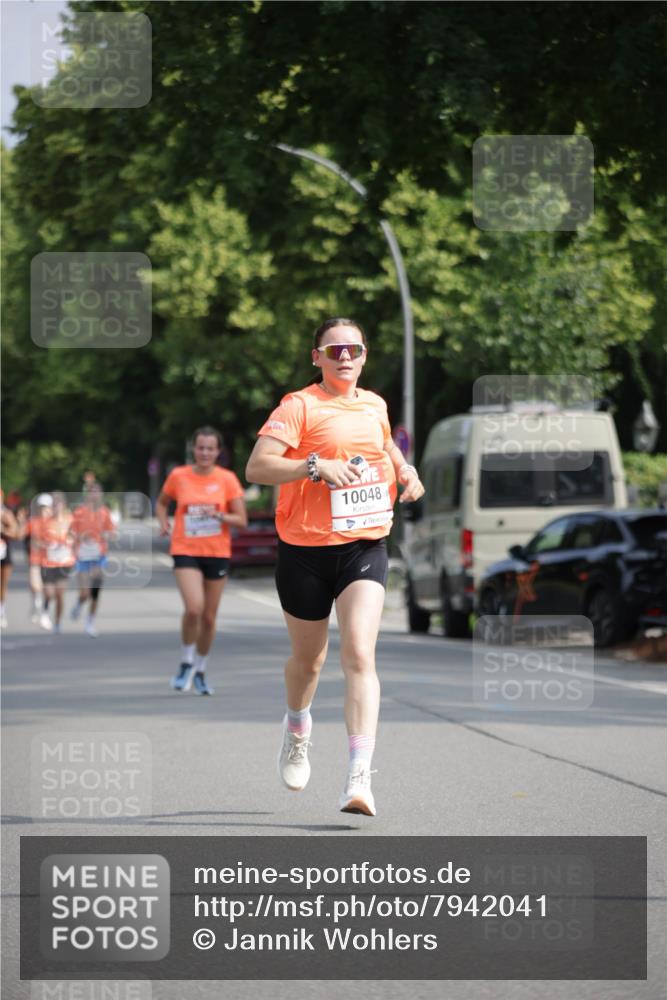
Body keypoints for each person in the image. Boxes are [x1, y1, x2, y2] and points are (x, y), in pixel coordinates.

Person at [246, 317, 425, 816]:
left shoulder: (375, 405)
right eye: (334, 350)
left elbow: (384, 445)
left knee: (360, 655)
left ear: (364, 356)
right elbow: (257, 467)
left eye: (354, 349)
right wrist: (314, 466)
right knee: (309, 662)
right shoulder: (298, 406)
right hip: (304, 549)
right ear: (317, 358)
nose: (345, 357)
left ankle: (358, 778)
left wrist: (405, 470)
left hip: (364, 544)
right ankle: (297, 727)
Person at [156, 426, 248, 695]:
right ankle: (186, 662)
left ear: (218, 452)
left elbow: (242, 520)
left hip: (217, 552)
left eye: (210, 448)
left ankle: (200, 670)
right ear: (193, 449)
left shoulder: (227, 479)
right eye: (200, 448)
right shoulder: (179, 476)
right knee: (194, 609)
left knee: (208, 618)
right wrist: (163, 522)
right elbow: (162, 503)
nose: (205, 453)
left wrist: (221, 516)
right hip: (185, 548)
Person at [70, 483, 116, 637]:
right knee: (85, 593)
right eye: (92, 492)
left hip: (99, 556)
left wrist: (107, 535)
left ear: (101, 494)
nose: (95, 495)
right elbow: (71, 532)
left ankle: (90, 623)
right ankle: (79, 604)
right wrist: (79, 539)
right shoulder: (79, 512)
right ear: (88, 494)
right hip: (83, 556)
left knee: (95, 592)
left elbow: (112, 533)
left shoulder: (105, 512)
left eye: (98, 492)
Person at [40, 492, 75, 634]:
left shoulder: (70, 520)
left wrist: (70, 541)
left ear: (63, 506)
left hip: (64, 562)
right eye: (53, 505)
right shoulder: (45, 522)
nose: (56, 508)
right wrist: (46, 544)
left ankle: (58, 622)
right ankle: (45, 609)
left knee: (60, 594)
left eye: (58, 505)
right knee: (49, 593)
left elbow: (76, 537)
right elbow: (37, 540)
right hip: (48, 562)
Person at [25, 494, 54, 629]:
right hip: (35, 559)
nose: (44, 510)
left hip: (51, 561)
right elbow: (21, 535)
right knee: (36, 586)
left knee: (49, 591)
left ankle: (45, 614)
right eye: (42, 507)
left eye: (47, 507)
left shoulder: (55, 523)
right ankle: (35, 602)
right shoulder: (32, 522)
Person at [0, 489, 22, 629]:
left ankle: (2, 612)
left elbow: (16, 533)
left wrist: (3, 530)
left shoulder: (5, 514)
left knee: (2, 584)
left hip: (4, 553)